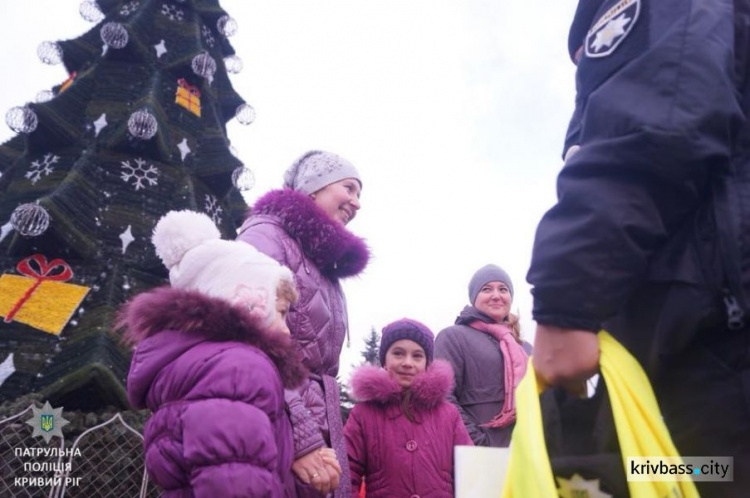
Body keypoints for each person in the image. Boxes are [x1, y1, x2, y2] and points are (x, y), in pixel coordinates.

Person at [527, 1, 750, 496]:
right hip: (693, 351)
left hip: (709, 358)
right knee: (676, 473)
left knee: (708, 471)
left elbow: (657, 127)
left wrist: (567, 299)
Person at [119, 210, 329, 497]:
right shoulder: (239, 368)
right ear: (247, 305)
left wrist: (304, 482)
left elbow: (236, 466)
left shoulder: (197, 365)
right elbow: (235, 482)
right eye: (280, 313)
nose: (286, 331)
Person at [237, 150, 369, 497]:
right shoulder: (266, 235)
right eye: (349, 188)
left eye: (360, 195)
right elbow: (249, 339)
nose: (357, 203)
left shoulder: (323, 263)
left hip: (316, 422)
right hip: (277, 421)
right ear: (314, 188)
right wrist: (300, 435)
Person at [344, 318, 473, 498]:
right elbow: (347, 472)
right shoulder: (363, 414)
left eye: (417, 356)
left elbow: (469, 472)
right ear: (384, 361)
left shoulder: (448, 414)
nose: (407, 362)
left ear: (427, 363)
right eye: (398, 353)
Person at [434, 264, 531, 447]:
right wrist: (477, 441)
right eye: (486, 289)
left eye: (503, 289)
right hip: (476, 455)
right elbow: (444, 397)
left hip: (524, 453)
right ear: (474, 297)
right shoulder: (453, 337)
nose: (496, 295)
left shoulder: (526, 349)